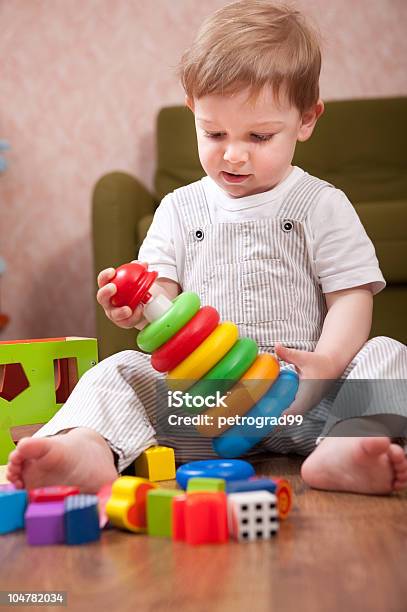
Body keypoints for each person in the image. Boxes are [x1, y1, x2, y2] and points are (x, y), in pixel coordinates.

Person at [7, 0, 407, 495]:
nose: (233, 154)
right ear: (193, 111)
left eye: (259, 136)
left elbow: (351, 295)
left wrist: (326, 363)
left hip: (306, 401)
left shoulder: (322, 204)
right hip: (205, 409)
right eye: (214, 133)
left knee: (389, 356)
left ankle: (348, 445)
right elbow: (161, 300)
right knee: (119, 371)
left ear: (306, 120)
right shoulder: (178, 209)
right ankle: (89, 447)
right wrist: (131, 308)